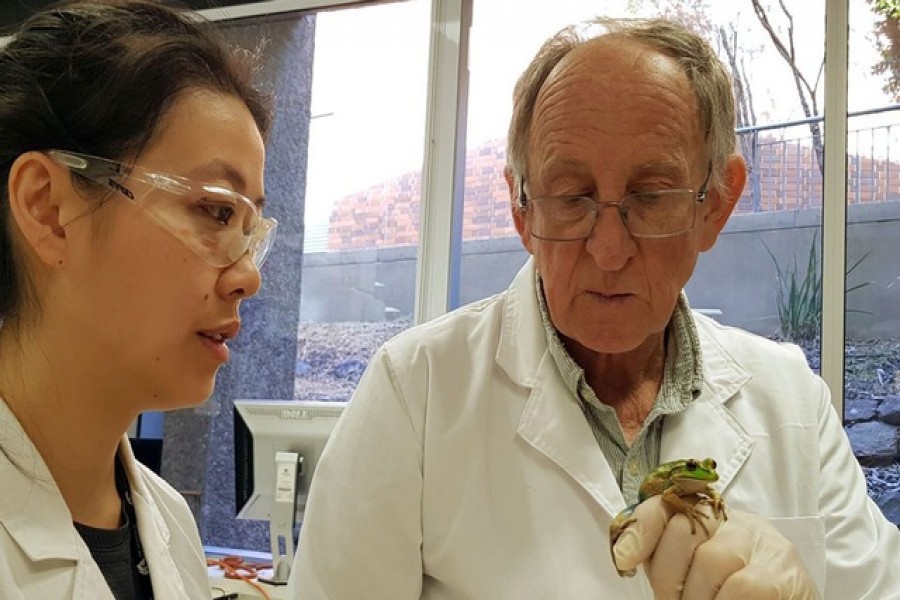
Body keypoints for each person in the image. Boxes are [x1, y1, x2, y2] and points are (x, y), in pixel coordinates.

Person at [289, 16, 900, 600]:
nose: (609, 252)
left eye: (651, 195)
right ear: (521, 209)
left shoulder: (790, 398)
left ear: (716, 204)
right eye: (572, 197)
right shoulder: (416, 394)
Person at [0, 1, 275, 597]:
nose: (247, 276)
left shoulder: (170, 522)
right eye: (216, 210)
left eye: (251, 231)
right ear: (47, 209)